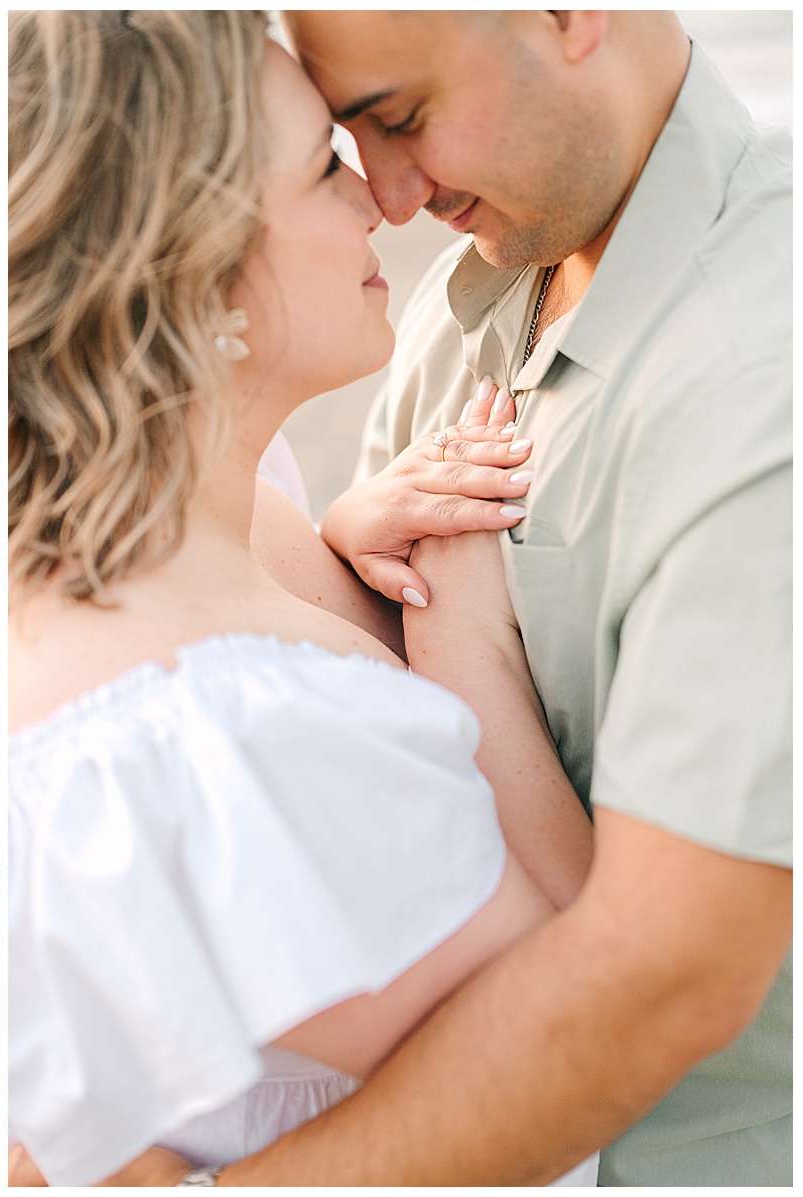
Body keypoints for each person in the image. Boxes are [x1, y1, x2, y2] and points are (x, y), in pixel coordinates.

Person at [7, 11, 597, 1186]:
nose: (382, 199)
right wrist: (458, 626)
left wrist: (340, 549)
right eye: (325, 165)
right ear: (192, 265)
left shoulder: (194, 519)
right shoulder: (228, 732)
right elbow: (596, 1019)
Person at [240, 11, 788, 1186]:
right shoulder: (463, 298)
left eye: (402, 117)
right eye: (350, 135)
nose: (386, 193)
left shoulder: (762, 378)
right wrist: (342, 547)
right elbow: (400, 727)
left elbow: (670, 977)